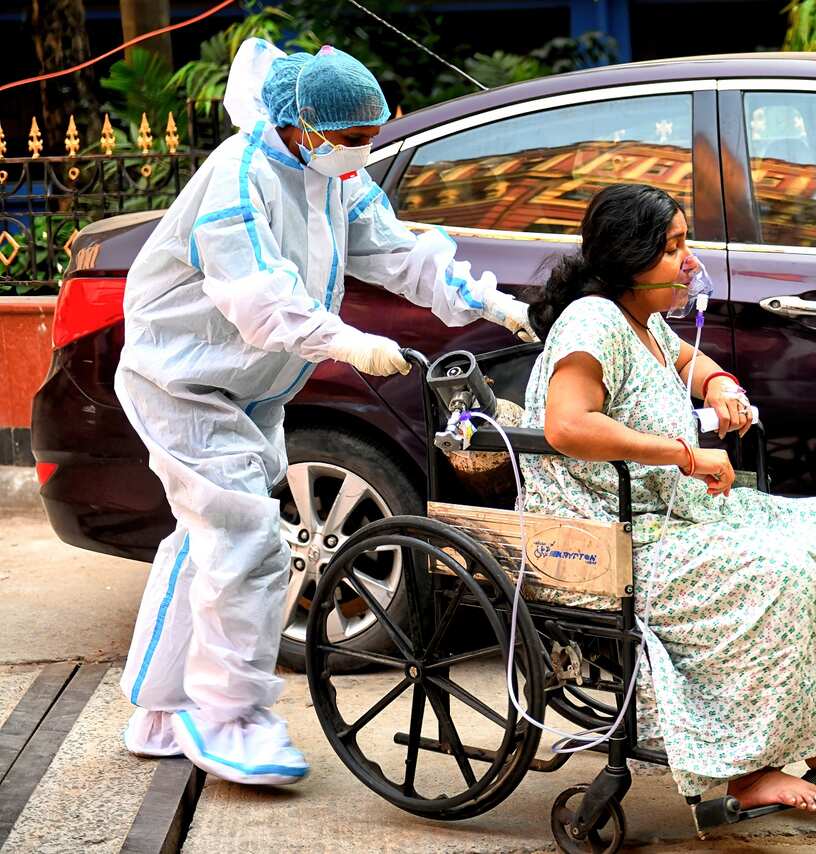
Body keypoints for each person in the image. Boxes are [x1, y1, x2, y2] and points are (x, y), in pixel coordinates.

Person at [115, 38, 535, 786]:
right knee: (247, 541)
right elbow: (263, 303)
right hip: (183, 382)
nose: (360, 153)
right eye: (348, 141)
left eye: (368, 138)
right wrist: (348, 343)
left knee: (203, 540)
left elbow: (400, 254)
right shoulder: (237, 184)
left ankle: (157, 709)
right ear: (301, 127)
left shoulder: (332, 175)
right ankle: (230, 720)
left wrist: (485, 302)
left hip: (252, 387)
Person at [520, 183, 816, 811]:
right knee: (776, 573)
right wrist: (684, 453)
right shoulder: (593, 319)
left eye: (685, 243)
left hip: (667, 515)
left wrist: (722, 386)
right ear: (629, 258)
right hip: (608, 536)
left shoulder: (643, 321)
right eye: (674, 246)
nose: (690, 261)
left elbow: (692, 364)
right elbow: (566, 426)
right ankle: (746, 768)